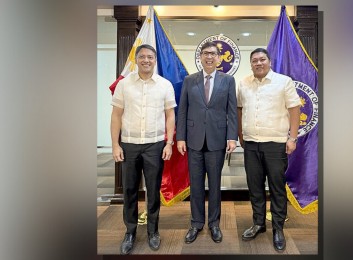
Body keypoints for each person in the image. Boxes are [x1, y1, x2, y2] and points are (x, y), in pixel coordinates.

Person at [110, 44, 176, 254]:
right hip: (129, 144)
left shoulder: (164, 85)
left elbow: (170, 116)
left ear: (154, 60)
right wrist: (114, 144)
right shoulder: (124, 84)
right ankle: (130, 231)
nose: (146, 60)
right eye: (142, 57)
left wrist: (169, 143)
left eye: (150, 57)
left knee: (153, 190)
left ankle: (153, 231)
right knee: (129, 189)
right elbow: (116, 115)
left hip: (155, 144)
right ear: (136, 59)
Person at [237, 48, 301, 251]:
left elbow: (294, 109)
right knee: (255, 187)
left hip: (275, 143)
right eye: (254, 60)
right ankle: (258, 223)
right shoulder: (244, 83)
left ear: (269, 61)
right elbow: (239, 109)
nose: (258, 63)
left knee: (276, 188)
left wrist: (292, 138)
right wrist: (241, 135)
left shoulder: (284, 82)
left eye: (262, 59)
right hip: (251, 144)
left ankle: (278, 228)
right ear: (251, 64)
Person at [176, 41, 238, 244]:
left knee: (214, 184)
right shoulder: (189, 80)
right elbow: (183, 110)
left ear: (219, 58)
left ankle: (214, 224)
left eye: (213, 54)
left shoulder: (228, 80)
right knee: (195, 185)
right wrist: (181, 137)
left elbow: (231, 111)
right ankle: (195, 223)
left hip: (217, 141)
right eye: (205, 53)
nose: (209, 57)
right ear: (200, 57)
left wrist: (232, 137)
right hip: (193, 140)